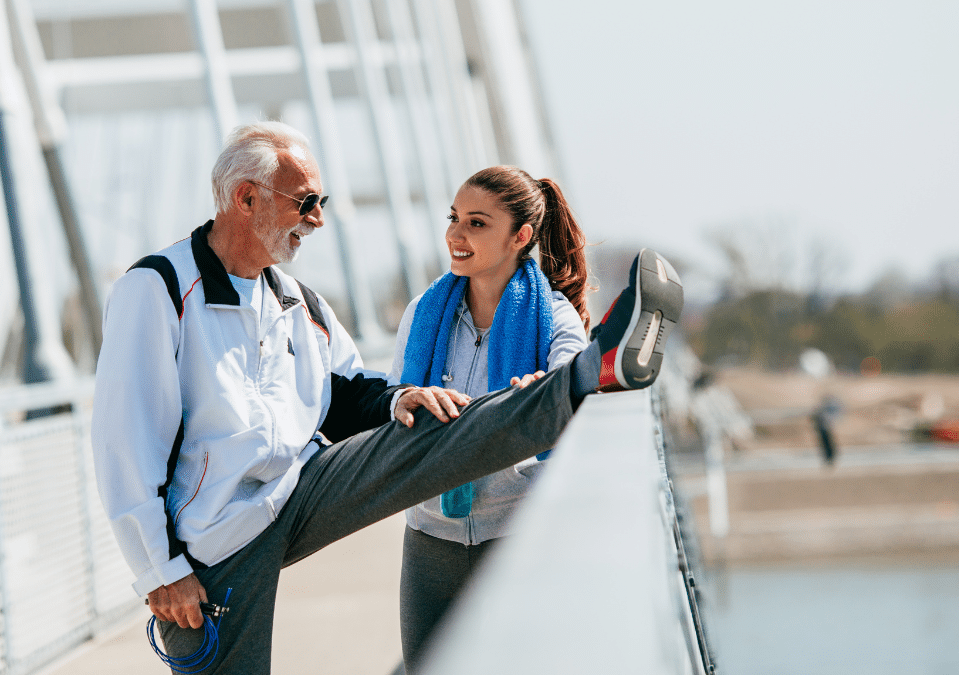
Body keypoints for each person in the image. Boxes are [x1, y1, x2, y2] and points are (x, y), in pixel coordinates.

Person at [91, 121, 683, 675]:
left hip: (299, 489)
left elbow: (346, 393)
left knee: (433, 421)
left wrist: (401, 398)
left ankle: (585, 375)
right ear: (247, 199)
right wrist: (159, 571)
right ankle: (577, 378)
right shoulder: (158, 289)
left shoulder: (299, 301)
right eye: (307, 203)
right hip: (215, 533)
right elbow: (125, 444)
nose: (318, 220)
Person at [387, 166, 591, 670]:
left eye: (477, 223)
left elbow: (571, 385)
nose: (456, 234)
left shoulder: (554, 316)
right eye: (454, 218)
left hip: (518, 538)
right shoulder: (423, 313)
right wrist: (404, 400)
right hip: (429, 539)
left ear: (521, 236)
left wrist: (539, 395)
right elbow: (391, 399)